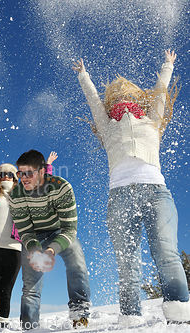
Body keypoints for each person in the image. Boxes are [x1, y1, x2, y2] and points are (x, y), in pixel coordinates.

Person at [73, 50, 189, 326]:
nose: (123, 103)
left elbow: (161, 94)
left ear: (137, 101)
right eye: (118, 99)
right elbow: (93, 103)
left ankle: (180, 315)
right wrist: (83, 76)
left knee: (166, 253)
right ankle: (131, 319)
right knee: (128, 264)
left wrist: (167, 65)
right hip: (120, 196)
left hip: (156, 192)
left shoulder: (151, 120)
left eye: (129, 99)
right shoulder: (107, 126)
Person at [0, 144, 57, 332]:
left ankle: (1, 326)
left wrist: (48, 166)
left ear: (15, 177)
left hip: (14, 249)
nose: (5, 176)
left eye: (9, 174)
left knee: (6, 291)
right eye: (1, 173)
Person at [8, 149, 91, 330]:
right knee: (31, 285)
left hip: (58, 232)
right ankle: (30, 326)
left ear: (42, 172)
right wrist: (35, 251)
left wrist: (51, 250)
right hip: (34, 236)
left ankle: (80, 315)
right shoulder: (15, 196)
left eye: (29, 173)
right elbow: (25, 231)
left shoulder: (61, 188)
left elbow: (70, 230)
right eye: (20, 173)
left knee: (76, 261)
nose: (24, 178)